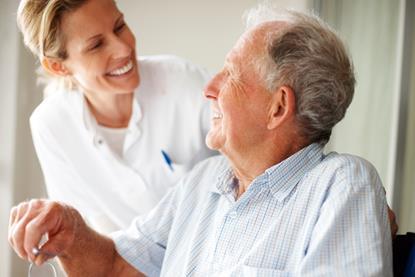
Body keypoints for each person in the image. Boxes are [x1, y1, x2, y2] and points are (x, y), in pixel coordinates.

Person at [9, 8, 393, 276]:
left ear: (278, 108)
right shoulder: (203, 182)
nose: (209, 88)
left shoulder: (341, 186)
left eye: (231, 75)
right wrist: (71, 234)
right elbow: (114, 267)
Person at [17, 0, 216, 233]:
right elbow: (82, 233)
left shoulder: (182, 80)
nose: (124, 49)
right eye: (96, 45)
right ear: (58, 67)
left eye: (120, 26)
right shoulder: (51, 125)